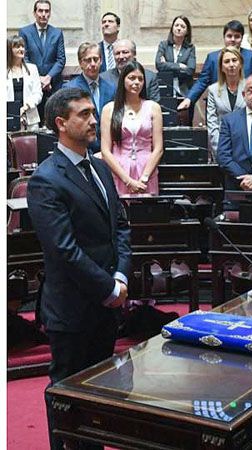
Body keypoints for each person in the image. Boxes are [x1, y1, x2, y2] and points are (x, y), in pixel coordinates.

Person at [26, 87, 131, 450]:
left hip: (106, 305)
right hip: (72, 310)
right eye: (84, 114)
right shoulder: (45, 179)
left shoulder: (100, 167)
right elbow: (64, 251)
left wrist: (120, 277)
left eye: (92, 112)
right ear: (61, 123)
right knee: (68, 402)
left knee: (99, 400)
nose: (92, 120)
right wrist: (108, 289)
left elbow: (120, 227)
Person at [100, 61, 164, 195]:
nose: (137, 82)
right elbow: (105, 151)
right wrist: (128, 180)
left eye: (140, 79)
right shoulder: (109, 109)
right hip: (119, 170)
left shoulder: (153, 107)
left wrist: (144, 178)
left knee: (146, 213)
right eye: (132, 78)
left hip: (147, 169)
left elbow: (158, 148)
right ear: (123, 80)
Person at [177, 20, 252, 112]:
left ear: (242, 38)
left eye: (237, 36)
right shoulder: (213, 58)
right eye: (229, 36)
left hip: (246, 107)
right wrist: (189, 99)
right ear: (224, 37)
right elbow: (202, 81)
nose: (233, 39)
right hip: (220, 108)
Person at [65, 42, 115, 152]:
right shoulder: (70, 89)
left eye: (96, 59)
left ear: (101, 61)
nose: (92, 64)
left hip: (109, 150)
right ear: (80, 63)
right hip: (82, 149)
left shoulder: (112, 88)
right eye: (88, 60)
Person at [19, 0, 65, 120]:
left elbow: (61, 59)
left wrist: (48, 77)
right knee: (34, 123)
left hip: (53, 86)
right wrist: (38, 79)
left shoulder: (57, 33)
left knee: (53, 122)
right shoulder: (25, 32)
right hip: (32, 85)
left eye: (47, 11)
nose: (44, 14)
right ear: (35, 13)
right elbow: (24, 57)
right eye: (40, 11)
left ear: (50, 13)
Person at [206, 47, 246, 158]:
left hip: (246, 150)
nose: (231, 64)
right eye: (227, 61)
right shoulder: (213, 90)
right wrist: (221, 150)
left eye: (234, 60)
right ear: (221, 67)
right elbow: (212, 124)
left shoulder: (250, 87)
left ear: (241, 64)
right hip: (222, 148)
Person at [7, 35, 43, 130]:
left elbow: (38, 93)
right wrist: (14, 112)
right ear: (9, 50)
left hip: (31, 119)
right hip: (8, 119)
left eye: (22, 46)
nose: (21, 49)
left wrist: (24, 108)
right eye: (17, 46)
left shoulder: (32, 68)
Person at [155, 15, 196, 98]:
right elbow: (159, 65)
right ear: (172, 28)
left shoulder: (190, 48)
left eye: (182, 26)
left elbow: (190, 70)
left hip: (184, 90)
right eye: (176, 25)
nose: (179, 28)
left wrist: (167, 64)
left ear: (187, 31)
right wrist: (179, 66)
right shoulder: (164, 45)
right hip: (166, 87)